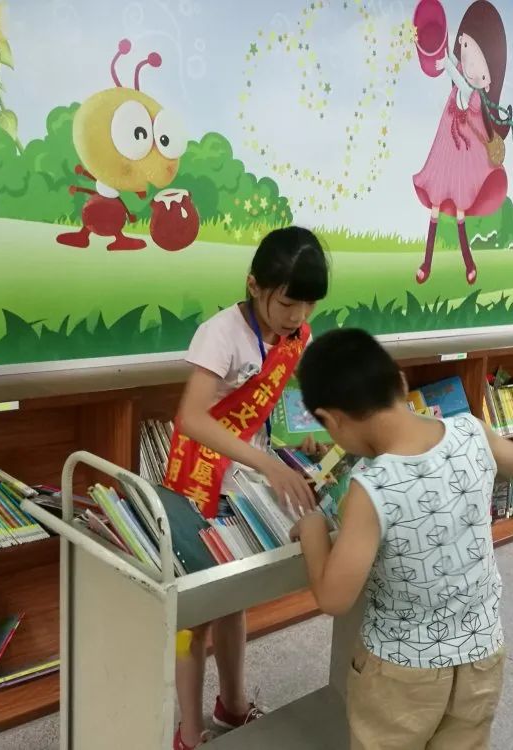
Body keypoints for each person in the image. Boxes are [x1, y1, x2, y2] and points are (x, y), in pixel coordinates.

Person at [291, 328, 513, 749]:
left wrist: (313, 529)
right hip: (481, 653)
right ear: (402, 383)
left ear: (332, 420)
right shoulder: (470, 430)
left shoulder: (372, 488)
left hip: (402, 671)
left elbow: (334, 598)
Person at [165, 225, 329, 749]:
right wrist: (267, 463)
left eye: (308, 304)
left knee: (234, 597)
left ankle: (233, 707)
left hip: (244, 482)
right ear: (254, 285)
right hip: (197, 479)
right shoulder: (220, 334)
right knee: (195, 613)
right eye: (287, 303)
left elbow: (292, 392)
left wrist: (309, 434)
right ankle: (189, 732)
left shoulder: (295, 334)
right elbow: (192, 418)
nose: (297, 316)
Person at [413, 0, 513, 286]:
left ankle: (469, 263)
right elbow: (451, 65)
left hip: (464, 161)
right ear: (461, 41)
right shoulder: (459, 71)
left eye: (482, 72)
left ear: (489, 82)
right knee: (435, 207)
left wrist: (446, 64)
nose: (471, 67)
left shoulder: (473, 95)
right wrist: (437, 51)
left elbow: (460, 82)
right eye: (468, 49)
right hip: (445, 154)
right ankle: (426, 262)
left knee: (459, 211)